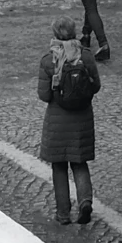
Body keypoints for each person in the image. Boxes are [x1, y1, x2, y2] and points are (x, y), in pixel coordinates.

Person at [37, 17, 100, 227]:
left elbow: (44, 95)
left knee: (59, 167)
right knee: (79, 163)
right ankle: (85, 202)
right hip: (82, 119)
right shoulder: (87, 57)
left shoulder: (48, 60)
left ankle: (63, 214)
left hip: (57, 121)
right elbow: (96, 86)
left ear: (55, 33)